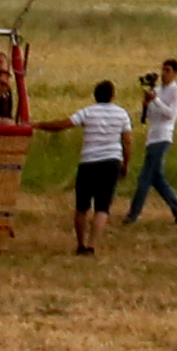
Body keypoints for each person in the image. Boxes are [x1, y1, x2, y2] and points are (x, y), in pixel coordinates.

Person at [125, 57, 177, 225]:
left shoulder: (176, 92)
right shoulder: (159, 91)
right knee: (157, 179)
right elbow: (148, 116)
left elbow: (171, 114)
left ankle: (133, 214)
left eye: (168, 70)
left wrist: (155, 99)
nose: (164, 74)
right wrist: (147, 104)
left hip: (163, 136)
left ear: (175, 73)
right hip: (152, 137)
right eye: (163, 70)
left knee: (145, 178)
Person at [70, 78, 132, 253]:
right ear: (112, 96)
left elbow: (65, 123)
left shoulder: (88, 112)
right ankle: (92, 245)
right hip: (111, 162)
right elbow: (127, 141)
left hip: (88, 162)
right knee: (102, 207)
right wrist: (125, 164)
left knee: (82, 206)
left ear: (95, 96)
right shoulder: (122, 114)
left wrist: (39, 125)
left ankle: (80, 244)